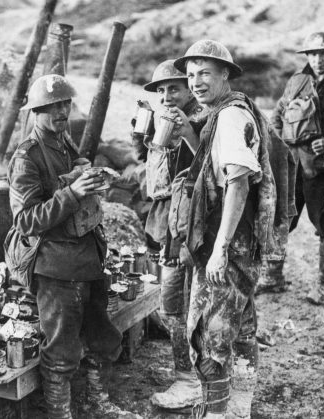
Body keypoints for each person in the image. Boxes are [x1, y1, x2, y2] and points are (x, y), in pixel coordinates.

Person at [7, 74, 126, 419]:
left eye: (64, 104)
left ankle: (96, 403)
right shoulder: (28, 157)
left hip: (86, 258)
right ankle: (61, 413)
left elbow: (74, 177)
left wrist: (92, 178)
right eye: (50, 107)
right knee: (60, 353)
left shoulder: (63, 142)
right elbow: (25, 221)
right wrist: (72, 193)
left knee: (102, 336)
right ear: (34, 112)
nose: (60, 111)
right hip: (56, 266)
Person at [172, 39, 278, 419]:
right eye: (190, 74)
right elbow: (214, 161)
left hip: (229, 242)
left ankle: (218, 414)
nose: (195, 82)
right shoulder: (228, 112)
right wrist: (188, 132)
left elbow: (237, 182)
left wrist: (219, 248)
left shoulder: (230, 117)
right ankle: (238, 409)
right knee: (242, 326)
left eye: (204, 73)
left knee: (209, 336)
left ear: (225, 75)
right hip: (241, 241)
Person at [130, 59, 202, 410]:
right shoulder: (162, 117)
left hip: (190, 223)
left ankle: (192, 381)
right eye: (161, 90)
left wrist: (185, 131)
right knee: (175, 303)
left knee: (186, 304)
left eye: (174, 88)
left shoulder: (203, 119)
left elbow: (209, 166)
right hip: (166, 219)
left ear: (189, 86)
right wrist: (142, 138)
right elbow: (153, 168)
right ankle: (190, 375)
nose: (167, 95)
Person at [261, 32, 324, 304]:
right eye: (312, 54)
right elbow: (277, 115)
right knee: (280, 220)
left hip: (323, 170)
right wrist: (281, 145)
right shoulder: (297, 81)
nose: (318, 59)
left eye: (323, 54)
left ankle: (323, 285)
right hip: (292, 166)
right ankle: (273, 277)